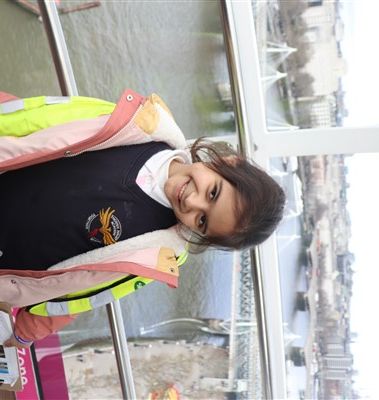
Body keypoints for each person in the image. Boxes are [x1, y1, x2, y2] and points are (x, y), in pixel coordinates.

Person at [0, 89, 285, 348]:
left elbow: (84, 290)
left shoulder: (155, 254)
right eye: (213, 193)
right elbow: (44, 119)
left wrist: (28, 330)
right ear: (226, 163)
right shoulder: (136, 125)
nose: (192, 202)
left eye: (202, 221)